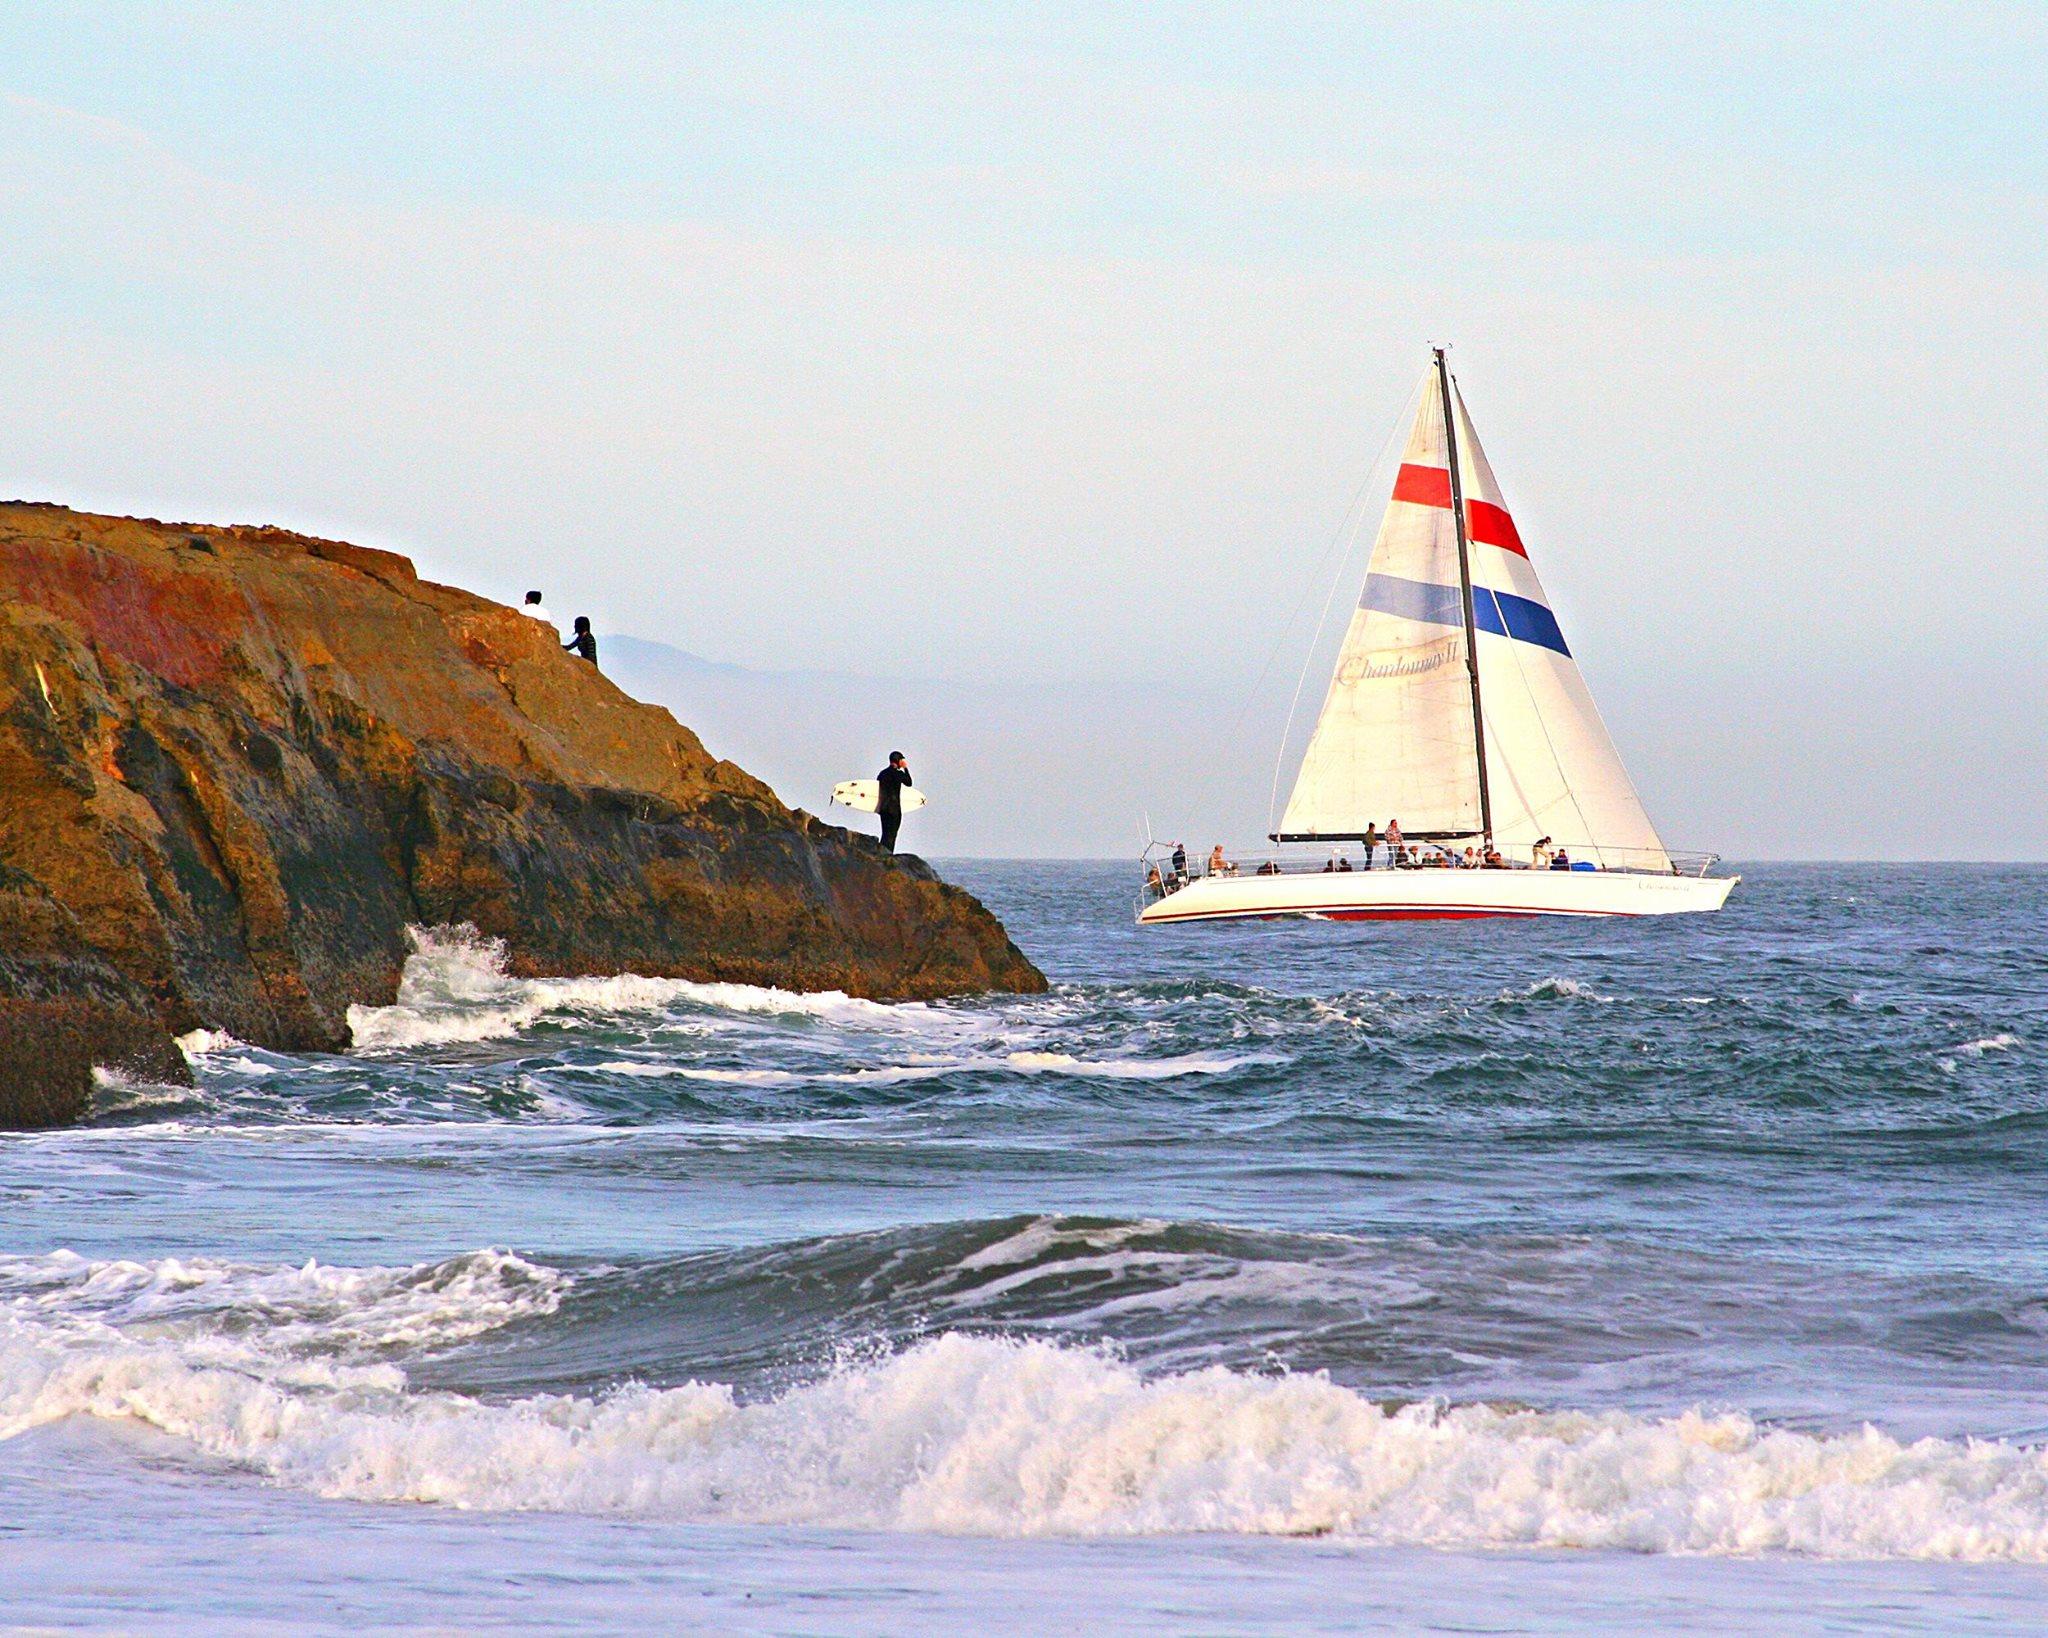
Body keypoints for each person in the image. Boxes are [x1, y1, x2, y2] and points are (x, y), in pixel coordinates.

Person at [876, 752, 913, 853]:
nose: (903, 762)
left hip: (883, 809)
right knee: (892, 835)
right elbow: (909, 783)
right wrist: (905, 768)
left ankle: (881, 853)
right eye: (902, 760)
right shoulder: (898, 774)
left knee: (885, 834)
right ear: (898, 761)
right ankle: (888, 856)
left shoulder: (882, 773)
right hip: (894, 809)